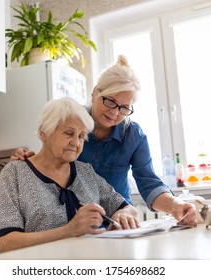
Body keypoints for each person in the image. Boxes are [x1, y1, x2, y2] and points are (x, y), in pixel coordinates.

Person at [12, 55, 197, 226]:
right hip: (74, 224)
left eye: (125, 107)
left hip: (118, 222)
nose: (115, 112)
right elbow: (50, 162)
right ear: (94, 93)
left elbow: (149, 183)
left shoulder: (133, 136)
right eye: (110, 101)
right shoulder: (72, 123)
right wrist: (30, 162)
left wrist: (176, 205)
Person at [0, 97, 140, 253]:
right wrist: (69, 230)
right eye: (68, 133)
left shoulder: (85, 172)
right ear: (43, 133)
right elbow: (6, 243)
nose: (76, 143)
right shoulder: (14, 173)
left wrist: (124, 214)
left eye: (81, 136)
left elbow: (127, 207)